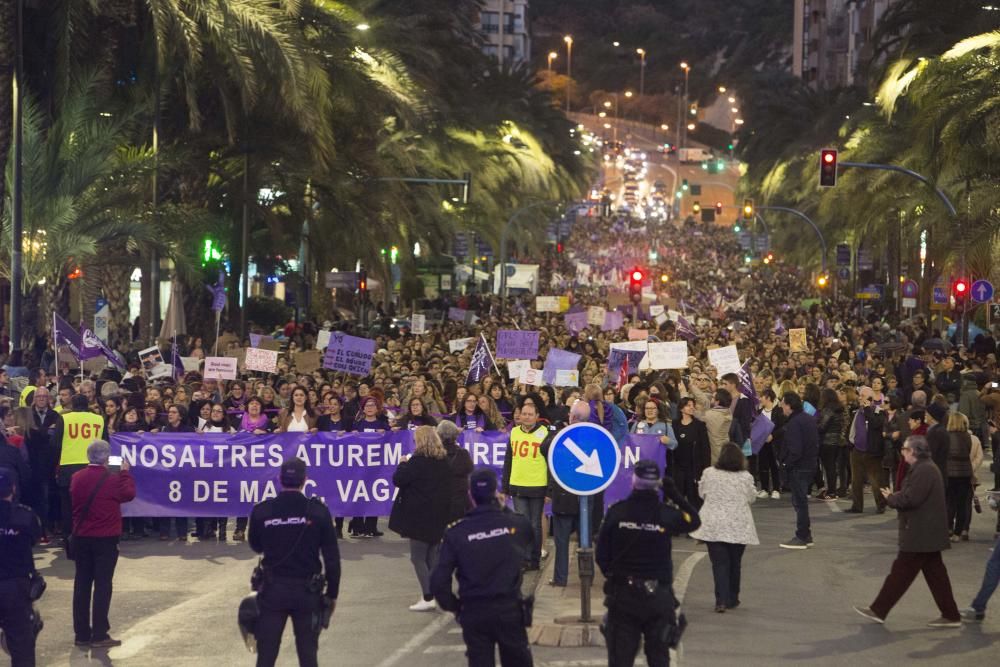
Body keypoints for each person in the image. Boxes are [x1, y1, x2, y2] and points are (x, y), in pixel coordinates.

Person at [596, 460, 700, 667]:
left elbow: (601, 555)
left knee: (620, 659)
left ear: (634, 481)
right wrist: (675, 494)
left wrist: (614, 575)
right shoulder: (666, 514)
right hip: (658, 598)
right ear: (658, 484)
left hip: (624, 595)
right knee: (659, 658)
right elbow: (694, 521)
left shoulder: (617, 512)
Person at [430, 468, 534, 667]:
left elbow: (438, 581)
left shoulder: (457, 532)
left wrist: (456, 607)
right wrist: (503, 510)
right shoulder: (514, 524)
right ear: (497, 493)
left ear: (471, 495)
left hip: (475, 610)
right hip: (509, 609)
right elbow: (529, 536)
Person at [854, 435, 962, 627]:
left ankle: (879, 609)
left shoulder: (924, 470)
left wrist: (892, 499)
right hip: (926, 532)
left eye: (904, 449)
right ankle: (951, 614)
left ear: (912, 451)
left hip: (920, 532)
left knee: (900, 574)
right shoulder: (925, 468)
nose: (902, 452)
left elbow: (911, 499)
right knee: (936, 576)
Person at [248, 457, 340, 667]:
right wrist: (332, 594)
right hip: (307, 591)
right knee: (308, 655)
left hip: (272, 591)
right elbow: (332, 558)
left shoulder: (263, 510)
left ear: (279, 479)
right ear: (305, 480)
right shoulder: (318, 511)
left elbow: (256, 545)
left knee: (266, 655)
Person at [70, 439, 136, 648]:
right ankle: (99, 633)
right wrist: (124, 472)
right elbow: (129, 494)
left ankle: (81, 634)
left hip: (81, 537)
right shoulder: (113, 478)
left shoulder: (76, 478)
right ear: (107, 458)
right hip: (105, 539)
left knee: (81, 583)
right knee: (103, 585)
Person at [389, 426, 452, 612]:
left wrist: (402, 463)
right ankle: (436, 593)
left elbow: (398, 480)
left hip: (418, 516)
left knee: (418, 558)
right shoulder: (443, 461)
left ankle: (428, 596)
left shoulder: (416, 462)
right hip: (439, 515)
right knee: (432, 556)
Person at [690, 443, 759, 613]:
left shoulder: (709, 473)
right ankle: (732, 598)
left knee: (719, 564)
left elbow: (701, 493)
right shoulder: (745, 477)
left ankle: (720, 600)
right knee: (735, 563)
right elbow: (752, 498)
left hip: (714, 525)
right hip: (738, 525)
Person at [501, 401, 552, 571]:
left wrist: (549, 490)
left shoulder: (545, 434)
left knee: (535, 525)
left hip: (538, 486)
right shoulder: (514, 432)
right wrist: (505, 486)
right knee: (522, 525)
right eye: (524, 414)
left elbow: (551, 463)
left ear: (537, 416)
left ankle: (534, 560)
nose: (526, 417)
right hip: (517, 485)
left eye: (530, 414)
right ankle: (523, 559)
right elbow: (508, 460)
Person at [0, 470, 43, 666]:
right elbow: (34, 538)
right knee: (22, 645)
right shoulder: (25, 515)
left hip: (14, 583)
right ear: (13, 488)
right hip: (16, 585)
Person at [547, 400, 590, 587]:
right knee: (585, 542)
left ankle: (560, 578)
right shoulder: (593, 436)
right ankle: (587, 578)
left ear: (571, 416)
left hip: (565, 498)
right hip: (586, 499)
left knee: (562, 543)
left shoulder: (561, 435)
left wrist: (559, 431)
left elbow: (544, 448)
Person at [59, 395, 106, 545]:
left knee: (68, 507)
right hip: (93, 467)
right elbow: (106, 444)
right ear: (87, 404)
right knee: (94, 504)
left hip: (68, 468)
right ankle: (94, 535)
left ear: (73, 404)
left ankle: (69, 537)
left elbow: (54, 445)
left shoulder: (65, 419)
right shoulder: (98, 419)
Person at [778, 392, 818, 550]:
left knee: (800, 503)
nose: (781, 406)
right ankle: (806, 535)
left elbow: (796, 449)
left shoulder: (794, 423)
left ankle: (802, 536)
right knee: (801, 502)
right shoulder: (808, 419)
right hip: (809, 465)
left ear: (789, 405)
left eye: (782, 403)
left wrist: (787, 464)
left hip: (799, 467)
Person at [846, 386, 887, 514]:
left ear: (870, 398)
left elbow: (876, 424)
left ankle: (881, 505)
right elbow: (852, 428)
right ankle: (857, 506)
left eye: (862, 396)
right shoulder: (856, 411)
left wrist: (868, 409)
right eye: (859, 395)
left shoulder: (878, 411)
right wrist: (850, 442)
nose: (859, 397)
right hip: (857, 450)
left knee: (875, 480)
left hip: (872, 451)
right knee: (856, 479)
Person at [668, 396, 712, 509]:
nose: (691, 408)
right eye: (688, 405)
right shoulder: (674, 425)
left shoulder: (699, 425)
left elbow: (706, 448)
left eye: (693, 405)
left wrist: (706, 468)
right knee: (678, 498)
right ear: (681, 408)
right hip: (678, 467)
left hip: (694, 467)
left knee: (695, 499)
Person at [436, 420, 474, 523]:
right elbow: (470, 468)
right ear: (456, 435)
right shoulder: (463, 453)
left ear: (439, 435)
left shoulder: (435, 454)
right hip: (459, 499)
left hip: (439, 499)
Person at [944, 412, 973, 542]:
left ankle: (948, 528)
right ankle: (958, 532)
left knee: (949, 502)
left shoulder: (947, 436)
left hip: (950, 472)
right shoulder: (967, 436)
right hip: (965, 473)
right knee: (962, 503)